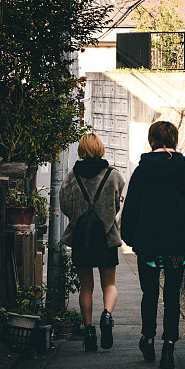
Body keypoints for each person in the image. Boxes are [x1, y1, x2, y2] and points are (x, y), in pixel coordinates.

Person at [121, 120, 185, 369]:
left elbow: (131, 208)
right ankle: (168, 347)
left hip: (148, 245)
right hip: (178, 245)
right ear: (175, 139)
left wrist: (130, 239)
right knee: (172, 296)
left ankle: (148, 338)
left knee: (150, 294)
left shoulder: (141, 170)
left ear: (152, 140)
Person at [60, 133, 125, 352]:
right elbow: (117, 206)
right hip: (106, 238)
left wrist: (78, 217)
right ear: (100, 149)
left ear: (81, 150)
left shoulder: (71, 176)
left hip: (81, 238)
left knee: (86, 287)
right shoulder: (114, 176)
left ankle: (89, 331)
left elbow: (65, 207)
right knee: (110, 285)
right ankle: (106, 316)